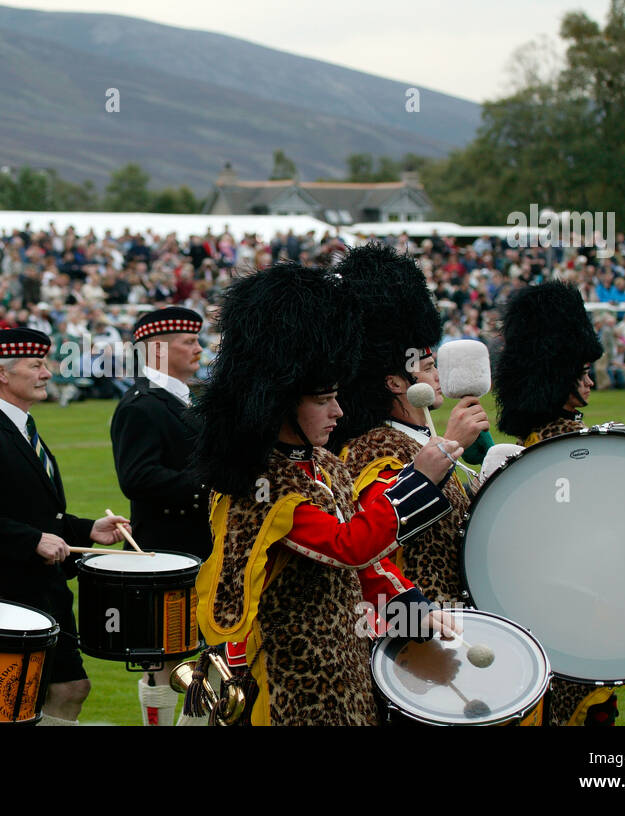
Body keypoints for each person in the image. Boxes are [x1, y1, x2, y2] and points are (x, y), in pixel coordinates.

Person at [192, 262, 459, 726]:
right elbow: (347, 546)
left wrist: (410, 607)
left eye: (336, 395)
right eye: (321, 399)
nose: (338, 410)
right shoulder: (263, 486)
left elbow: (368, 565)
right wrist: (417, 480)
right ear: (279, 400)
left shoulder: (326, 464)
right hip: (288, 678)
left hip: (345, 663)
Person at [492, 279, 625, 726]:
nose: (588, 380)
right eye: (580, 372)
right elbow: (621, 491)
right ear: (557, 377)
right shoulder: (554, 444)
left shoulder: (554, 438)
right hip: (572, 610)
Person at [0, 328, 128, 726]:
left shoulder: (20, 427)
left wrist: (87, 529)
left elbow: (33, 511)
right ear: (4, 375)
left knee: (67, 688)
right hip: (4, 589)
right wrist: (31, 542)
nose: (48, 372)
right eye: (36, 365)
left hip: (39, 585)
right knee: (16, 698)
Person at [331, 244, 490, 605]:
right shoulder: (373, 449)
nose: (438, 375)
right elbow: (383, 533)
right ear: (396, 383)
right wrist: (449, 448)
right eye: (428, 367)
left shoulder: (419, 436)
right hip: (417, 615)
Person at [109, 306, 211, 725]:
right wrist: (210, 482)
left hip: (202, 544)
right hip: (167, 550)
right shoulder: (141, 404)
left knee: (207, 653)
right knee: (168, 655)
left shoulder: (190, 398)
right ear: (155, 349)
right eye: (189, 342)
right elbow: (137, 478)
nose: (199, 349)